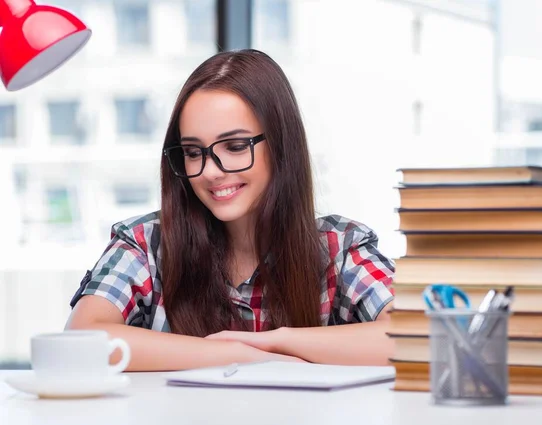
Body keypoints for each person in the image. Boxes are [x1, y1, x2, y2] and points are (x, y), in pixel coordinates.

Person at [66, 49, 395, 371]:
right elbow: (80, 342)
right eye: (194, 152)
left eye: (236, 147)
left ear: (282, 145)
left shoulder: (339, 249)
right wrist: (241, 356)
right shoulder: (146, 245)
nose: (210, 172)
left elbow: (421, 336)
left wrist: (278, 342)